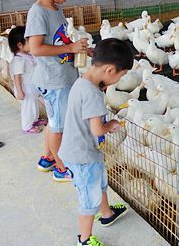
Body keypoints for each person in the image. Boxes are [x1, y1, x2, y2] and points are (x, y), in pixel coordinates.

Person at [58, 38, 132, 246]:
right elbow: (97, 129)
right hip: (81, 156)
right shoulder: (93, 94)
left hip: (83, 150)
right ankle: (85, 239)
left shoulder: (83, 81)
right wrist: (112, 125)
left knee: (99, 183)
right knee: (88, 200)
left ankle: (107, 213)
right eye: (122, 74)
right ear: (110, 70)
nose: (121, 79)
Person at [25, 0, 88, 181]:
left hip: (61, 76)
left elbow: (58, 41)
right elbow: (36, 48)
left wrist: (76, 50)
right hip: (54, 81)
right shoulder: (38, 12)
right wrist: (70, 47)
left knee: (55, 123)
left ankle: (48, 158)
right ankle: (62, 168)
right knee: (59, 127)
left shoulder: (55, 9)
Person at [8, 26, 46, 133]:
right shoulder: (18, 60)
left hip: (31, 86)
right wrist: (20, 91)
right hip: (24, 88)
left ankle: (34, 120)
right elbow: (17, 76)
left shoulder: (27, 55)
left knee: (34, 105)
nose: (33, 43)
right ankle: (27, 126)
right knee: (28, 107)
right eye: (29, 41)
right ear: (20, 45)